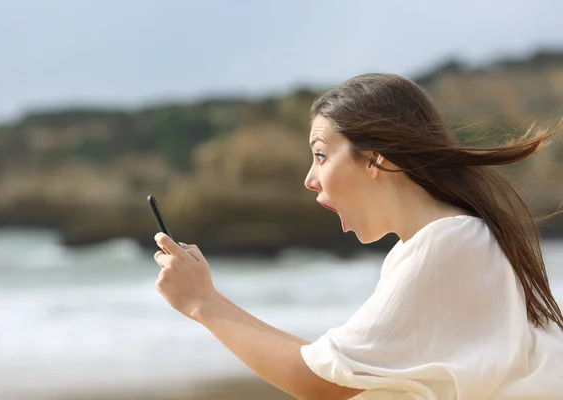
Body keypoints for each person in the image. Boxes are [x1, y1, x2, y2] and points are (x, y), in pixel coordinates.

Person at [152, 73, 563, 400]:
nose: (310, 179)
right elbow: (329, 366)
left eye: (320, 154)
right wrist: (209, 297)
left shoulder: (449, 243)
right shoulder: (450, 239)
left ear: (375, 158)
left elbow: (321, 384)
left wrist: (201, 303)